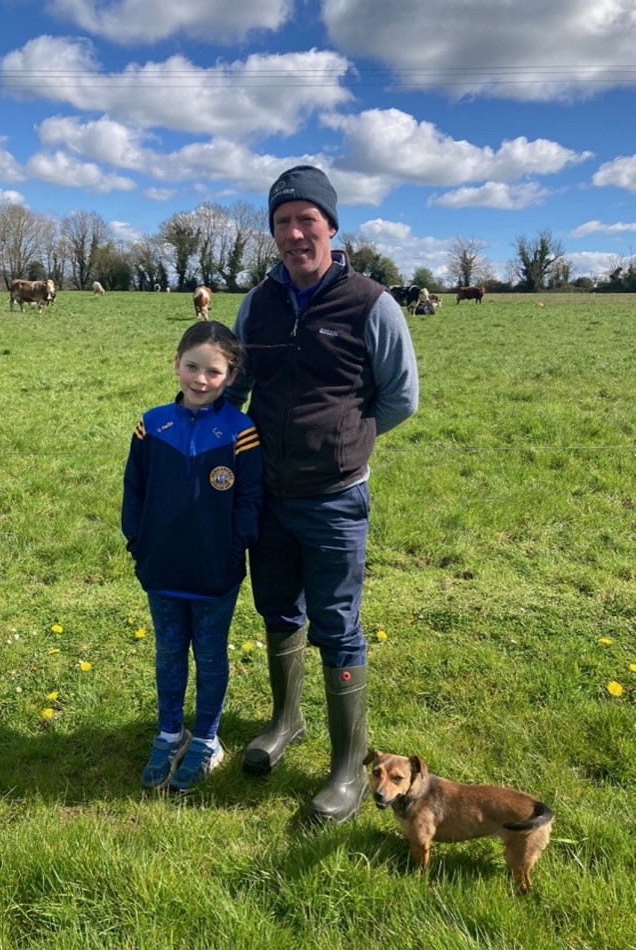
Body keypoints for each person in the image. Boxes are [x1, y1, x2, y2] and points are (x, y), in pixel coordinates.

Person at [225, 165, 419, 823]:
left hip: (336, 497)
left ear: (331, 228)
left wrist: (347, 440)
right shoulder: (258, 303)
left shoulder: (372, 303)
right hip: (269, 494)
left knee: (336, 625)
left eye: (306, 219)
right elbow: (237, 386)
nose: (294, 232)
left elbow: (401, 398)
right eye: (282, 221)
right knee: (278, 609)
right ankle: (286, 721)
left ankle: (348, 764)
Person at [122, 321, 263, 793]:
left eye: (214, 372)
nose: (201, 380)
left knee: (209, 654)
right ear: (176, 364)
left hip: (214, 572)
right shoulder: (151, 424)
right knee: (167, 653)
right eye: (192, 367)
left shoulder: (241, 433)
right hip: (160, 568)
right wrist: (138, 545)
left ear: (230, 376)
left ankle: (205, 740)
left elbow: (249, 502)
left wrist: (233, 551)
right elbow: (134, 491)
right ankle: (169, 734)